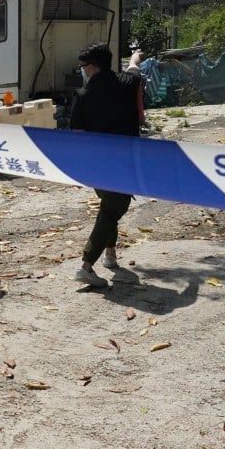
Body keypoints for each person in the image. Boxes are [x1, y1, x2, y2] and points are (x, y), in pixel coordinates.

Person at [69, 44, 144, 287]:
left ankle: (110, 254)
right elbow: (134, 70)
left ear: (93, 67)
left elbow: (77, 135)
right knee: (113, 209)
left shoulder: (83, 96)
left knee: (109, 206)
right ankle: (87, 265)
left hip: (96, 165)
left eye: (83, 66)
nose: (82, 71)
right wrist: (135, 58)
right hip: (124, 161)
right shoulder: (127, 83)